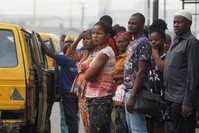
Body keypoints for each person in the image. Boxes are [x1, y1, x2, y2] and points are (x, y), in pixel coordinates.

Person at [163, 10, 199, 133]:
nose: (176, 25)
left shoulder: (192, 42)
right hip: (170, 97)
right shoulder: (176, 41)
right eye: (174, 22)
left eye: (179, 22)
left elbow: (193, 75)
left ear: (189, 23)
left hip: (181, 99)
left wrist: (188, 102)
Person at [38, 34, 79, 133]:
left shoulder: (64, 60)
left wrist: (41, 41)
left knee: (70, 119)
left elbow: (49, 53)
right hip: (77, 94)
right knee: (74, 116)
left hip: (68, 94)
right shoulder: (78, 60)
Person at [85, 21, 116, 133]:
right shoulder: (100, 52)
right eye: (93, 33)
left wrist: (88, 73)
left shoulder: (105, 53)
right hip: (96, 98)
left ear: (107, 35)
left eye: (98, 33)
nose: (95, 36)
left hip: (100, 98)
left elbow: (88, 75)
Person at [65, 29, 98, 133]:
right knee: (86, 122)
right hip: (81, 93)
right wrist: (78, 38)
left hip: (91, 92)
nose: (85, 41)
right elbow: (69, 55)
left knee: (92, 123)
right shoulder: (85, 54)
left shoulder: (98, 54)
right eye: (83, 39)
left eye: (88, 39)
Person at [124, 13, 151, 133]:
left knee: (138, 129)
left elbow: (141, 71)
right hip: (128, 90)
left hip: (136, 92)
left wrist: (133, 97)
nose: (130, 25)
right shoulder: (132, 42)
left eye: (134, 23)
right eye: (129, 23)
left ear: (141, 24)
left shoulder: (143, 42)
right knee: (132, 129)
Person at [146, 19, 168, 133]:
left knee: (160, 125)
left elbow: (163, 69)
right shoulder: (147, 55)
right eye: (151, 40)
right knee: (148, 124)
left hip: (161, 95)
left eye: (156, 39)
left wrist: (155, 56)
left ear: (163, 40)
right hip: (149, 93)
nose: (153, 42)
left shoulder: (166, 55)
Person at [111, 31, 131, 133]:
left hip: (125, 91)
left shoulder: (128, 57)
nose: (120, 44)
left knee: (123, 125)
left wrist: (114, 77)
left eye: (122, 42)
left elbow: (129, 74)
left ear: (129, 42)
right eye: (118, 42)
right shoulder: (120, 56)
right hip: (118, 91)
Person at [59, 35, 75, 133]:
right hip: (69, 92)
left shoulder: (77, 58)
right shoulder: (62, 57)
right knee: (68, 116)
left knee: (69, 116)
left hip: (71, 93)